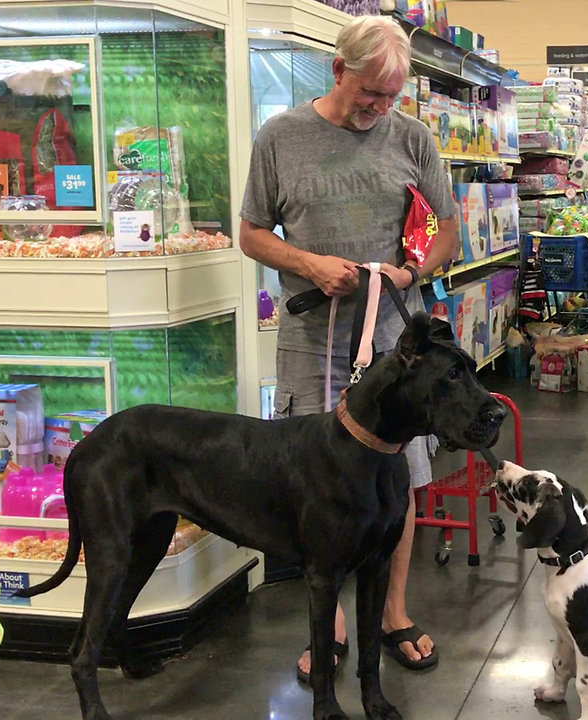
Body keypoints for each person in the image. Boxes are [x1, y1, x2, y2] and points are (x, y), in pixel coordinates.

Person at [238, 15, 458, 683]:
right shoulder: (280, 138)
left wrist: (410, 275)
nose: (381, 108)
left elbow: (448, 234)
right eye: (372, 93)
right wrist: (307, 263)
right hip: (313, 337)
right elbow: (251, 234)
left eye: (392, 96)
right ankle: (328, 624)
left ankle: (391, 612)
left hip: (396, 342)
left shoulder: (413, 138)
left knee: (401, 475)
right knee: (317, 485)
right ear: (338, 71)